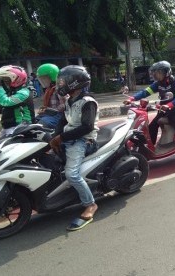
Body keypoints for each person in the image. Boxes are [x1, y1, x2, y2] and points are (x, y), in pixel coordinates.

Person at [49, 65, 99, 231]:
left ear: (74, 83)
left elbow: (87, 127)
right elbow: (63, 121)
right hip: (71, 138)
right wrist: (54, 137)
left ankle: (90, 204)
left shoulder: (87, 102)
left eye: (63, 81)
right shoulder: (70, 100)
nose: (60, 84)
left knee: (72, 174)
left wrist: (61, 137)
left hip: (84, 141)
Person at [124, 60, 175, 167]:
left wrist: (169, 105)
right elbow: (145, 92)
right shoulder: (158, 84)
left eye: (158, 72)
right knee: (151, 127)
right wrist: (132, 98)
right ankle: (149, 150)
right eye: (154, 72)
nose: (155, 74)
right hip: (164, 110)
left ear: (166, 72)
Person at [0, 65, 35, 138]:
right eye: (4, 80)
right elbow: (4, 108)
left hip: (20, 128)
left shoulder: (24, 93)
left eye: (7, 80)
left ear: (17, 79)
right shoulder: (13, 92)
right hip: (9, 127)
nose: (5, 82)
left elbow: (6, 103)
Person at [35, 63, 65, 128]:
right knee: (33, 122)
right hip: (50, 115)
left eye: (44, 78)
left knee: (40, 125)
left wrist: (49, 110)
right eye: (41, 79)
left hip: (60, 115)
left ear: (52, 76)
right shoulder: (49, 89)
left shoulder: (59, 88)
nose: (42, 81)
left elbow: (65, 105)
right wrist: (44, 109)